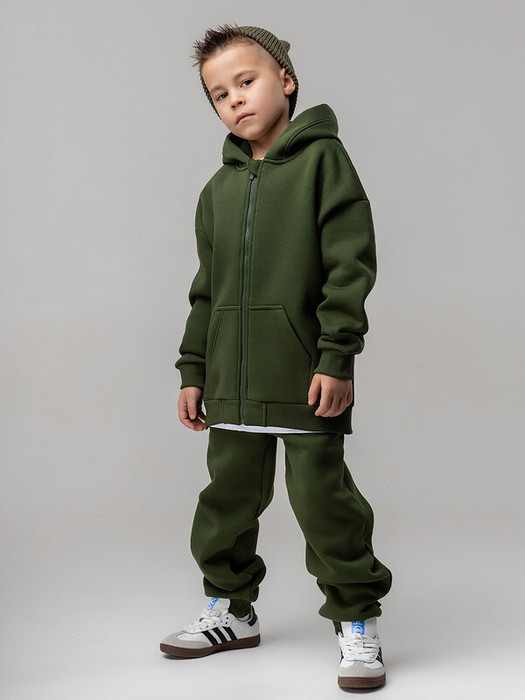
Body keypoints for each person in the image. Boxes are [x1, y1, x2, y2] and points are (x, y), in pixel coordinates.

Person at [160, 23, 393, 691]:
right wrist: (193, 371)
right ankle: (231, 610)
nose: (234, 98)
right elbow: (206, 291)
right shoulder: (217, 190)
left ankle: (355, 618)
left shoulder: (325, 163)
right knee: (226, 499)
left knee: (323, 501)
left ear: (285, 80)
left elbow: (349, 267)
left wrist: (336, 358)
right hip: (229, 380)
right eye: (218, 93)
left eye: (246, 81)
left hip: (304, 373)